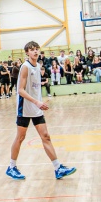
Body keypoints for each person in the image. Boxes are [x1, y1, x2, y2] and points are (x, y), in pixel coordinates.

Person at [7, 40, 76, 182]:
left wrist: (40, 101)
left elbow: (35, 88)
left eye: (36, 49)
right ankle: (11, 167)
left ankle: (58, 168)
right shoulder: (25, 67)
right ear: (27, 52)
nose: (35, 51)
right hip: (25, 107)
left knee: (46, 136)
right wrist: (36, 102)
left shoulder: (38, 66)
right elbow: (20, 90)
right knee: (20, 137)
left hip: (36, 107)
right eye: (32, 49)